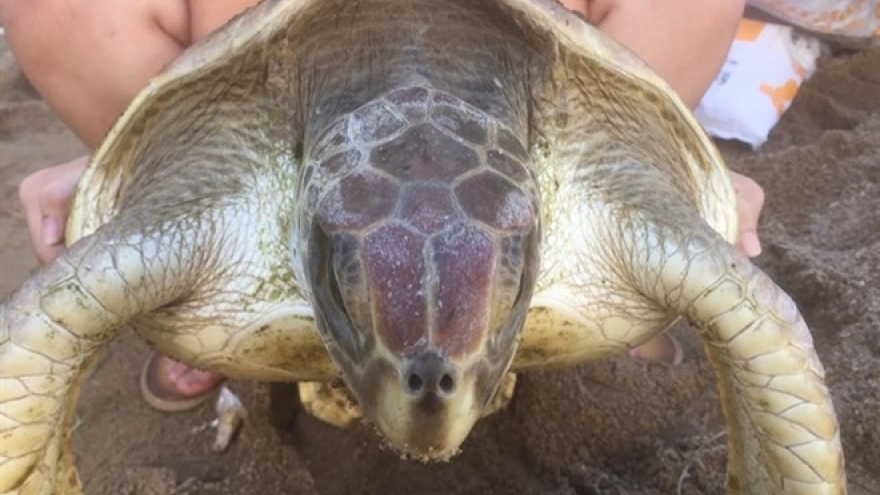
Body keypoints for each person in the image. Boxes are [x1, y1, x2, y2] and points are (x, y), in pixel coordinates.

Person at [0, 0, 764, 411]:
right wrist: (145, 157)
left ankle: (608, 225)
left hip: (534, 107)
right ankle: (198, 230)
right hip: (263, 116)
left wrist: (655, 164)